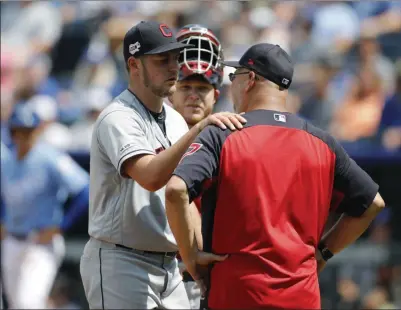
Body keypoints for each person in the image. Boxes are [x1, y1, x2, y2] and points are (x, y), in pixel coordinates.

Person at [165, 43, 386, 309]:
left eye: (234, 77)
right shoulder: (322, 141)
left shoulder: (223, 132)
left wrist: (191, 258)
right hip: (301, 297)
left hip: (236, 295)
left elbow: (176, 190)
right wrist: (324, 252)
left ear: (250, 80)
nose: (231, 85)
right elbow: (373, 203)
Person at [79, 20, 246, 309]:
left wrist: (195, 253)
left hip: (168, 266)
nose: (173, 67)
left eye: (175, 58)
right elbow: (151, 176)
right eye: (162, 60)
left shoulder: (175, 120)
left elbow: (183, 196)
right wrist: (201, 127)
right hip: (122, 261)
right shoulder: (117, 117)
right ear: (134, 65)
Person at [0, 104, 89, 309]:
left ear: (36, 131)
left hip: (40, 243)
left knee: (28, 303)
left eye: (28, 130)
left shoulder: (50, 158)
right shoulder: (6, 160)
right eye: (18, 130)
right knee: (15, 303)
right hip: (12, 241)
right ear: (12, 132)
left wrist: (62, 226)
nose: (23, 136)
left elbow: (84, 190)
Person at [169, 24, 224, 309]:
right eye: (186, 86)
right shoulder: (152, 136)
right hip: (161, 271)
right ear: (171, 92)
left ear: (216, 94)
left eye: (202, 88)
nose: (193, 95)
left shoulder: (230, 137)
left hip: (214, 276)